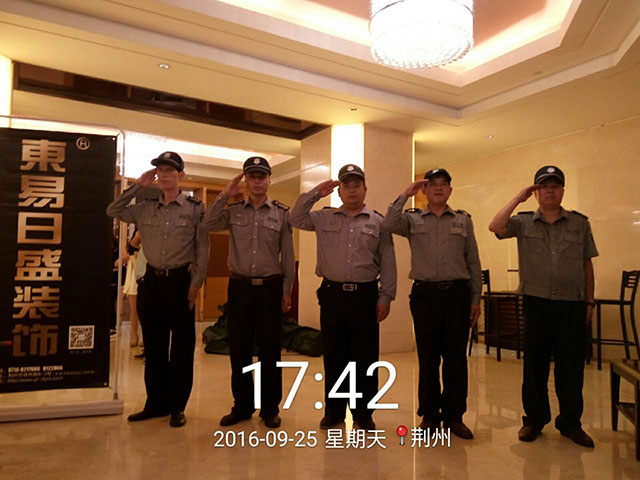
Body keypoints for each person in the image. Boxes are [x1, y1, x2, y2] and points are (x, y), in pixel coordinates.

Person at [489, 165, 597, 447]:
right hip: (536, 302)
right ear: (536, 192)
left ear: (562, 190)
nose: (550, 190)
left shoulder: (579, 223)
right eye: (544, 186)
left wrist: (589, 300)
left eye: (555, 185)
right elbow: (495, 226)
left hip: (572, 304)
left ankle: (570, 423)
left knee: (570, 367)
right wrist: (518, 198)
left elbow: (586, 264)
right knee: (535, 365)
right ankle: (534, 420)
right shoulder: (523, 222)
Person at [290, 164, 397, 431]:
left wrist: (386, 296)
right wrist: (316, 192)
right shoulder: (324, 217)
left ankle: (363, 413)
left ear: (365, 189)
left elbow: (388, 261)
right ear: (339, 192)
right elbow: (296, 218)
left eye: (356, 185)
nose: (352, 190)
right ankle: (334, 411)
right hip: (333, 295)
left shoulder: (378, 222)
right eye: (346, 186)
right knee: (334, 356)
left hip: (365, 296)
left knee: (365, 357)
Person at [106, 151, 209, 428]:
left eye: (170, 170)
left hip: (180, 281)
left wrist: (197, 282)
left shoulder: (194, 208)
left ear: (181, 175)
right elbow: (113, 210)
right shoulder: (145, 207)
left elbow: (202, 247)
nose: (164, 175)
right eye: (160, 170)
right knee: (154, 346)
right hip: (151, 282)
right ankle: (155, 403)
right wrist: (138, 186)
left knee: (182, 348)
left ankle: (177, 407)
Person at [382, 168, 481, 439]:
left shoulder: (463, 220)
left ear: (450, 190)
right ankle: (429, 416)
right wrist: (406, 193)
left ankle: (454, 417)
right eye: (433, 184)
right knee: (428, 359)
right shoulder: (412, 219)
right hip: (425, 296)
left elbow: (473, 261)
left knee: (455, 359)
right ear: (424, 191)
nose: (438, 188)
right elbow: (388, 224)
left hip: (457, 296)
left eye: (443, 184)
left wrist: (475, 298)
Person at [205, 156, 294, 429]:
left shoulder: (281, 213)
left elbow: (287, 255)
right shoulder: (233, 211)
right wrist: (224, 195)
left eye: (262, 177)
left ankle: (270, 408)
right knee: (239, 349)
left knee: (270, 351)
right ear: (245, 180)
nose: (257, 182)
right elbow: (208, 224)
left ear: (269, 180)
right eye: (252, 177)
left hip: (270, 288)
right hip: (240, 287)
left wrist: (287, 290)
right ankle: (242, 406)